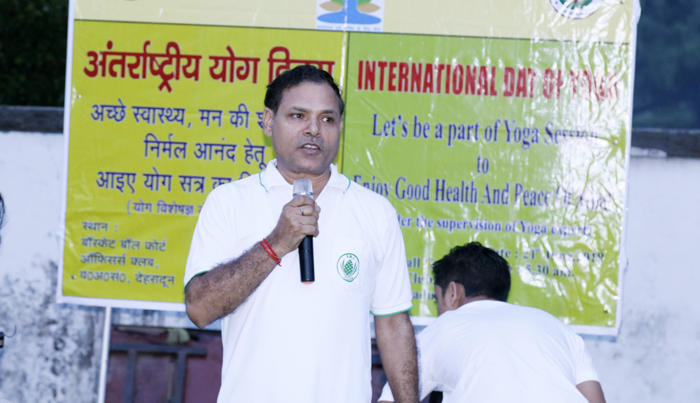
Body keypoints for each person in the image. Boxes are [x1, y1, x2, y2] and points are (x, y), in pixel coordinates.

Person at [184, 65, 418, 403]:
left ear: (340, 127)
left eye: (327, 119)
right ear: (268, 121)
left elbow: (393, 323)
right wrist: (275, 244)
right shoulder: (229, 202)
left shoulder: (375, 211)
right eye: (298, 115)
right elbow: (199, 308)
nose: (314, 129)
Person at [379, 242, 606, 403]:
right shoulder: (559, 329)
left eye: (437, 299)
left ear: (452, 292)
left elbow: (391, 399)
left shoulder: (445, 326)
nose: (439, 310)